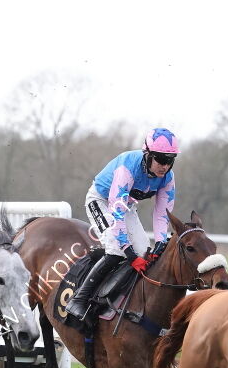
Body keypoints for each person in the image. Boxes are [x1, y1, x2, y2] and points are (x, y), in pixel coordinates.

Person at [66, 128, 179, 320]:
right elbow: (115, 212)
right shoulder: (128, 167)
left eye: (170, 160)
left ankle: (127, 302)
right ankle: (79, 299)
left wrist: (160, 242)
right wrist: (128, 251)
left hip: (126, 206)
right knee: (117, 249)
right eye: (160, 158)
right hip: (101, 201)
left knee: (145, 253)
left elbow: (162, 214)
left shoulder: (168, 178)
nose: (165, 166)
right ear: (148, 155)